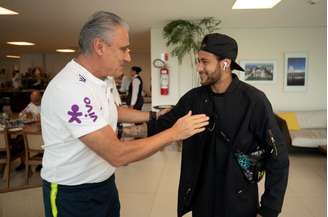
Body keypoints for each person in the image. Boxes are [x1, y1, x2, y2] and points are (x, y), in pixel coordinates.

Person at [40, 11, 209, 217]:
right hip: (73, 192)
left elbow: (113, 111)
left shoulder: (103, 80)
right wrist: (174, 133)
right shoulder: (70, 88)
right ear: (99, 46)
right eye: (123, 49)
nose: (128, 57)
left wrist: (156, 116)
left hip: (104, 183)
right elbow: (117, 154)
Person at [148, 33, 289, 217]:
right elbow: (161, 125)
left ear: (225, 63)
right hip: (202, 202)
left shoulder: (253, 101)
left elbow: (278, 156)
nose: (198, 67)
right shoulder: (193, 99)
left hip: (239, 202)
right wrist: (120, 129)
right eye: (198, 61)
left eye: (204, 61)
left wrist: (269, 209)